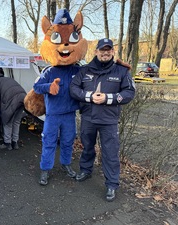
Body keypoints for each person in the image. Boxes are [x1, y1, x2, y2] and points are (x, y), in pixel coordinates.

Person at [27, 9, 88, 186]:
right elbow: (36, 86)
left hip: (69, 114)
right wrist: (49, 87)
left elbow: (95, 72)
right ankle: (45, 170)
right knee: (49, 142)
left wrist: (118, 68)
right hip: (53, 115)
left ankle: (66, 165)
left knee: (68, 141)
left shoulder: (77, 70)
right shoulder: (49, 71)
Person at [70, 38, 136, 201]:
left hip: (109, 120)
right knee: (87, 147)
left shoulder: (121, 72)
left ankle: (112, 184)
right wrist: (89, 96)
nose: (105, 52)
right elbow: (73, 88)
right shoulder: (84, 71)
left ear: (113, 52)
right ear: (96, 51)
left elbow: (129, 93)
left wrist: (108, 98)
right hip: (88, 118)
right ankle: (86, 170)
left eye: (108, 50)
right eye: (102, 49)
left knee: (110, 153)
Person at [0, 72, 26, 150]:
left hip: (12, 100)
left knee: (7, 122)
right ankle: (15, 142)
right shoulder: (6, 79)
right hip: (23, 98)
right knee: (16, 122)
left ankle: (7, 143)